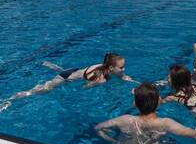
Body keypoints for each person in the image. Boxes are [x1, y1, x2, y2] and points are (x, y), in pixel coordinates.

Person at [5, 53, 136, 101]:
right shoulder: (101, 78)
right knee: (42, 90)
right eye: (122, 67)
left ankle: (51, 66)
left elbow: (121, 75)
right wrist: (93, 86)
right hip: (65, 77)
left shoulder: (107, 66)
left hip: (73, 71)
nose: (123, 69)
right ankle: (11, 99)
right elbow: (84, 87)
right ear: (111, 68)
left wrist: (128, 79)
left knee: (71, 75)